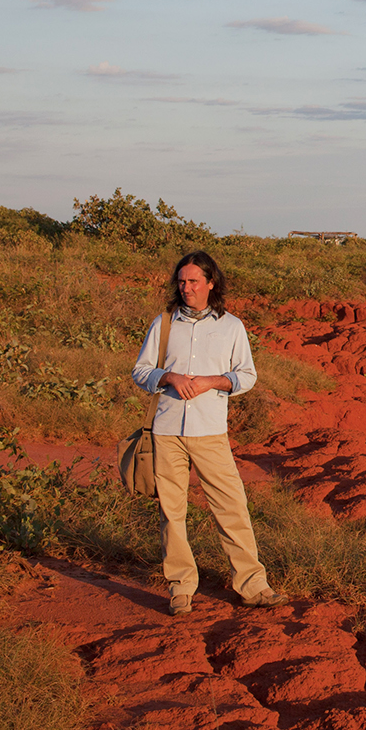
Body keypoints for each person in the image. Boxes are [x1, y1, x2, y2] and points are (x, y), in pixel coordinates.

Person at [131, 250, 285, 615]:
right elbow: (140, 371)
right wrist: (168, 377)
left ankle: (252, 585)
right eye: (182, 282)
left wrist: (211, 382)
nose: (186, 288)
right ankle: (180, 588)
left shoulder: (231, 327)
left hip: (210, 430)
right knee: (172, 512)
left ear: (211, 283)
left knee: (231, 506)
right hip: (167, 430)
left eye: (194, 281)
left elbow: (246, 376)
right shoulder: (164, 324)